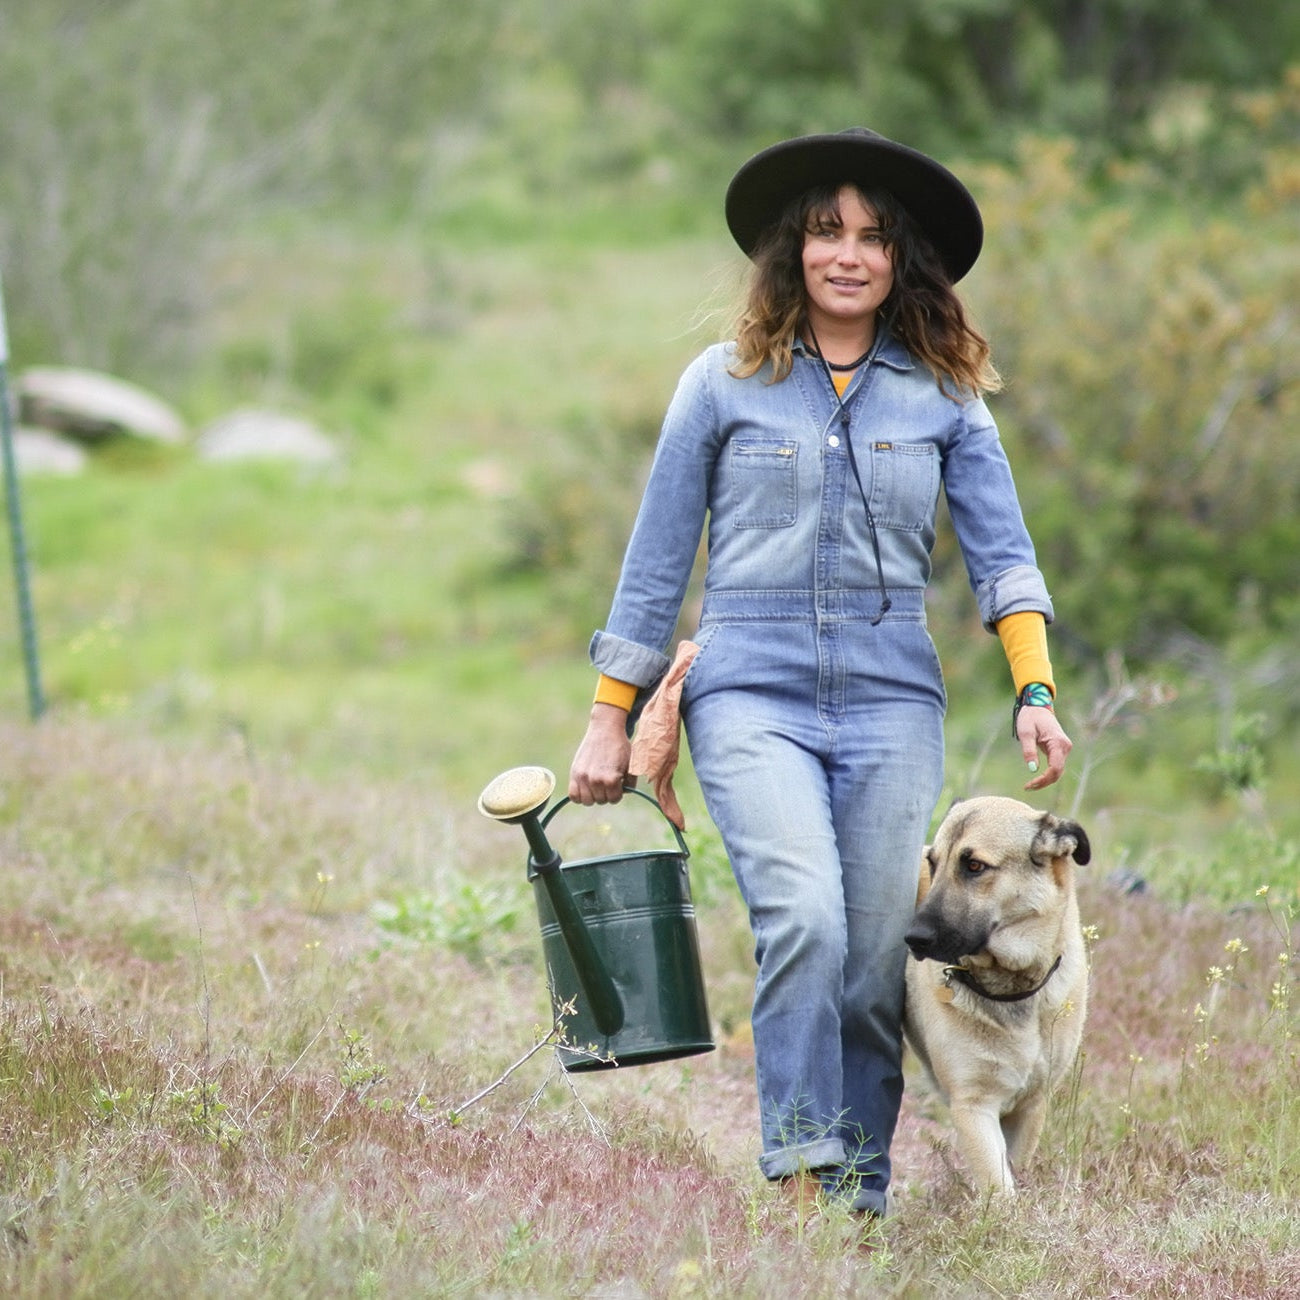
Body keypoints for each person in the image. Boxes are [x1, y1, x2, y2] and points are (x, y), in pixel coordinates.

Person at [567, 128, 1072, 1217]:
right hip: (749, 691)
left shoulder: (945, 394)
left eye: (873, 238)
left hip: (892, 699)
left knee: (870, 959)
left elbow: (1004, 556)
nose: (848, 254)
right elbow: (656, 563)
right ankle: (800, 1177)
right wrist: (611, 718)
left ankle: (857, 1195)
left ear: (903, 263)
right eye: (826, 231)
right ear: (791, 250)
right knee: (803, 917)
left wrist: (1033, 689)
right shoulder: (722, 382)